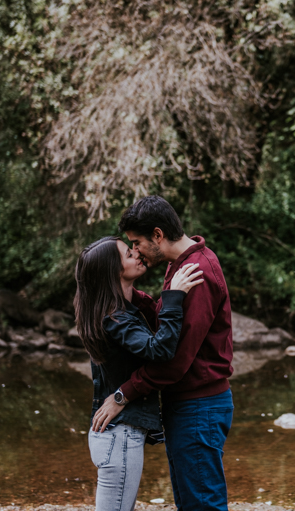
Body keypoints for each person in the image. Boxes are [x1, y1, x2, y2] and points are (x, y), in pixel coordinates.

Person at [91, 196, 234, 511]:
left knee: (202, 505)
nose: (136, 250)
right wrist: (140, 299)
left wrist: (122, 395)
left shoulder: (196, 273)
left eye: (137, 242)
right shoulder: (181, 265)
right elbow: (168, 329)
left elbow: (175, 360)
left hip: (199, 406)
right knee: (190, 502)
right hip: (188, 406)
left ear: (157, 235)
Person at [75, 235, 204, 511]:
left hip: (117, 435)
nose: (136, 253)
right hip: (118, 435)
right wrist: (174, 297)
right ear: (113, 271)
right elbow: (159, 351)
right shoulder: (115, 318)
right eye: (127, 254)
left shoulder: (124, 311)